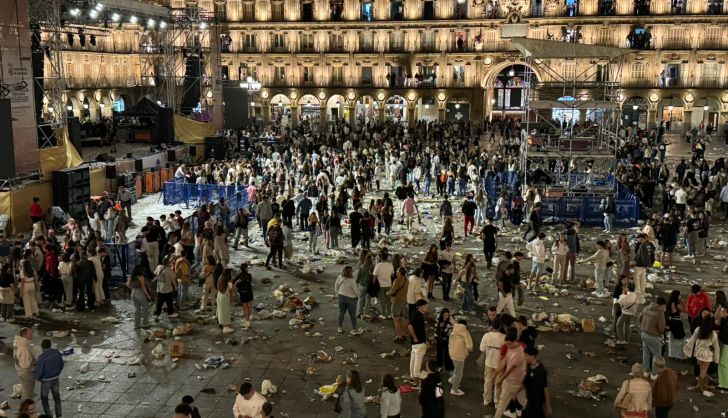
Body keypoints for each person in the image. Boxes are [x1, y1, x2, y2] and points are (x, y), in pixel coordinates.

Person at [495, 327, 527, 418]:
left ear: (514, 341)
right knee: (502, 402)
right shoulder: (511, 347)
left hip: (518, 382)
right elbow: (504, 361)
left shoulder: (519, 353)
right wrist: (495, 376)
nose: (507, 345)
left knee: (523, 401)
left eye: (508, 343)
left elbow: (510, 369)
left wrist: (500, 379)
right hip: (510, 381)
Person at [683, 315, 721, 391]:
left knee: (702, 370)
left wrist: (686, 347)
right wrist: (716, 359)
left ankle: (703, 385)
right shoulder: (713, 333)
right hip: (708, 354)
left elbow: (692, 340)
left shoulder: (698, 330)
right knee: (704, 371)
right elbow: (716, 347)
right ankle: (700, 386)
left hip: (699, 353)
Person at [638, 296, 666, 377]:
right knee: (656, 355)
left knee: (646, 353)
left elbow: (639, 318)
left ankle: (646, 372)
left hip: (643, 333)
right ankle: (654, 374)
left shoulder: (647, 308)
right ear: (662, 305)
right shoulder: (659, 312)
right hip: (653, 336)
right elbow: (661, 327)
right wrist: (661, 332)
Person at [480, 317, 505, 407]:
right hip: (499, 364)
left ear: (491, 326)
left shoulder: (486, 336)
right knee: (498, 382)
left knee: (488, 381)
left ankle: (487, 399)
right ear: (500, 326)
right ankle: (496, 401)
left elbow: (482, 349)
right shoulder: (504, 337)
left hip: (489, 362)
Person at [35, 339, 63, 418]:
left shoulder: (42, 357)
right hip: (56, 378)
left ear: (42, 347)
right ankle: (59, 415)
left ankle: (49, 415)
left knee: (44, 399)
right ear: (50, 345)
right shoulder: (56, 352)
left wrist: (39, 378)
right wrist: (57, 372)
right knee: (57, 397)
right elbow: (61, 364)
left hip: (46, 381)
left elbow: (39, 371)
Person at [522, 346, 552, 418]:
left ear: (532, 356)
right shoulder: (529, 366)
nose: (524, 358)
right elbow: (525, 381)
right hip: (530, 399)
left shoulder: (541, 371)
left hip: (537, 401)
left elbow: (545, 388)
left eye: (526, 356)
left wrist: (548, 405)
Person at [448, 319, 473, 396]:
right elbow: (469, 346)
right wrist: (469, 350)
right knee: (459, 372)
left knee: (456, 368)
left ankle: (452, 379)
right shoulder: (465, 332)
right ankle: (454, 389)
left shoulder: (454, 330)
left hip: (451, 352)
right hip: (459, 354)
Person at [408, 299, 429, 387]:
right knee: (417, 362)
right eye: (426, 306)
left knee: (413, 359)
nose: (427, 307)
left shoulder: (414, 313)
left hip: (415, 343)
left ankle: (412, 377)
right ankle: (416, 382)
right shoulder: (418, 316)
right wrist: (415, 337)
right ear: (421, 307)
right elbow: (410, 327)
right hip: (419, 342)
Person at [335, 265, 361, 335]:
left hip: (341, 297)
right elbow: (356, 291)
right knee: (352, 314)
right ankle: (354, 330)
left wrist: (337, 293)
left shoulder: (339, 277)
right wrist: (359, 296)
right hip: (351, 298)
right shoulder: (352, 280)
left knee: (341, 313)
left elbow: (336, 285)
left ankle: (340, 327)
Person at [14, 327, 37, 400]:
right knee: (28, 394)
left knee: (26, 391)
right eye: (30, 334)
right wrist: (34, 364)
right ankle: (25, 410)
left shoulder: (18, 342)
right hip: (26, 372)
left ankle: (24, 407)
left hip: (19, 369)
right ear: (24, 335)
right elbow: (25, 364)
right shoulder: (24, 347)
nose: (32, 335)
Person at [127, 264, 153, 329]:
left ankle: (136, 325)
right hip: (140, 293)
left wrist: (133, 288)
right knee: (145, 307)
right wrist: (148, 295)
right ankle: (145, 323)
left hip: (133, 293)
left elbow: (128, 284)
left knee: (136, 309)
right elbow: (143, 287)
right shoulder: (141, 277)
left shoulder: (131, 276)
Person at [389, 266, 409, 342]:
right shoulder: (407, 279)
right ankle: (403, 334)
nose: (396, 272)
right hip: (404, 301)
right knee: (402, 318)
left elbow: (392, 291)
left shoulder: (397, 280)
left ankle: (399, 336)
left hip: (397, 302)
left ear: (400, 272)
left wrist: (388, 293)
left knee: (396, 320)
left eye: (397, 271)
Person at [154, 257, 178, 321]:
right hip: (168, 289)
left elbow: (155, 273)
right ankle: (170, 313)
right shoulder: (169, 269)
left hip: (159, 289)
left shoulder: (159, 267)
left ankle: (157, 314)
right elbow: (173, 279)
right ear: (167, 262)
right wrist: (175, 286)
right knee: (169, 302)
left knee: (159, 303)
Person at [633, 233, 655, 305]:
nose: (638, 240)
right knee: (643, 279)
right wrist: (649, 264)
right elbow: (652, 254)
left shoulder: (642, 246)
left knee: (637, 279)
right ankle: (642, 292)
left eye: (638, 238)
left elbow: (643, 256)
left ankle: (638, 295)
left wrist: (646, 265)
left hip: (640, 265)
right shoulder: (648, 244)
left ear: (641, 238)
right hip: (645, 265)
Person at [666, 290, 686, 359]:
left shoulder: (669, 302)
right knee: (680, 339)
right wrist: (683, 302)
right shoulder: (676, 303)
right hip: (677, 322)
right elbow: (685, 310)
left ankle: (672, 354)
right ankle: (679, 356)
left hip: (671, 321)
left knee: (672, 338)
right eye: (679, 295)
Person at [373, 253, 394, 318]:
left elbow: (375, 276)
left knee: (382, 300)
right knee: (388, 299)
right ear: (387, 257)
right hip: (388, 285)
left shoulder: (378, 265)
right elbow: (392, 275)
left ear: (380, 257)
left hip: (380, 285)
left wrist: (373, 284)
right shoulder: (390, 265)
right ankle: (389, 314)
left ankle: (383, 314)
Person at [434, 308, 454, 373]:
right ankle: (439, 365)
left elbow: (450, 331)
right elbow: (436, 328)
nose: (446, 317)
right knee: (439, 352)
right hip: (440, 337)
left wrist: (445, 336)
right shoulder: (438, 319)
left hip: (447, 338)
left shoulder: (451, 320)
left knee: (447, 353)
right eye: (445, 315)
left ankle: (448, 367)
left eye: (447, 315)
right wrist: (436, 336)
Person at [217, 269, 234, 334]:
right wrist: (232, 299)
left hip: (219, 296)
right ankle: (226, 327)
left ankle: (221, 323)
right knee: (225, 312)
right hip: (225, 297)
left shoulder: (220, 278)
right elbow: (231, 290)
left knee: (220, 310)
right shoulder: (228, 281)